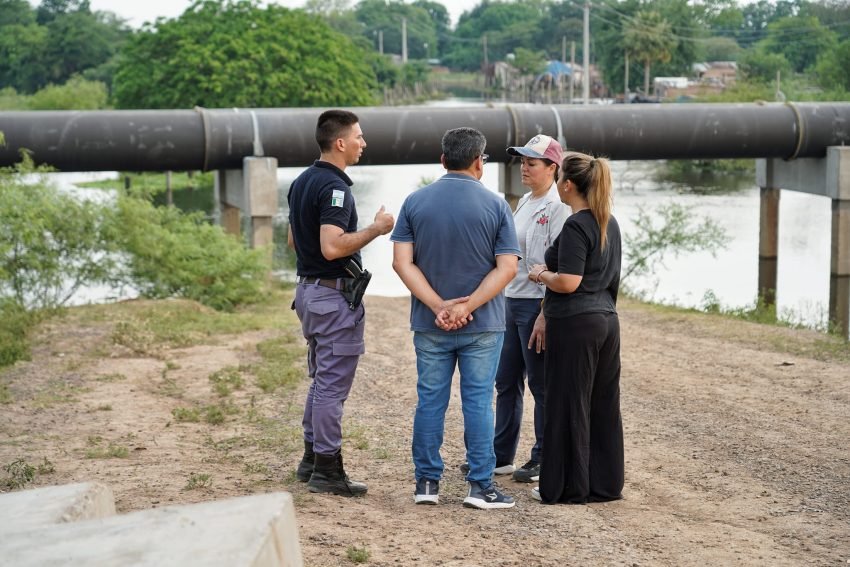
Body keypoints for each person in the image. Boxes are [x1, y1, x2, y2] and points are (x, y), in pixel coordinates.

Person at [391, 127, 520, 510]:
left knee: (430, 401)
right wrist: (468, 306)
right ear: (479, 161)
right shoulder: (497, 206)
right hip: (483, 324)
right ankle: (480, 486)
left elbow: (401, 263)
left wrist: (438, 306)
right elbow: (508, 268)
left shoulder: (414, 202)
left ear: (443, 159)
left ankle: (427, 483)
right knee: (478, 403)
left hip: (430, 324)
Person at [288, 109, 395, 497]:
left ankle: (311, 460)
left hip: (308, 292)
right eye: (358, 137)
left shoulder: (301, 181)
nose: (363, 143)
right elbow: (331, 247)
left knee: (321, 381)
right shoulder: (335, 189)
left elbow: (293, 241)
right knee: (332, 387)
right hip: (331, 298)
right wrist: (376, 229)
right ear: (340, 142)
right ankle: (328, 470)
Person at [527, 150, 624, 504]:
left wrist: (540, 274)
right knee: (602, 403)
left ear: (567, 185)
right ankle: (605, 484)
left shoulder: (576, 225)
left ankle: (567, 487)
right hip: (607, 322)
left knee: (567, 403)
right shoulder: (609, 222)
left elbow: (568, 282)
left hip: (576, 323)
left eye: (559, 179)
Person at [493, 135, 570, 484]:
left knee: (541, 383)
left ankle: (543, 456)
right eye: (522, 161)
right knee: (506, 380)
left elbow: (559, 264)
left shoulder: (558, 208)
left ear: (552, 168)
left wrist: (545, 313)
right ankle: (500, 456)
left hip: (536, 305)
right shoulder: (524, 201)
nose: (523, 167)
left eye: (532, 162)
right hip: (511, 301)